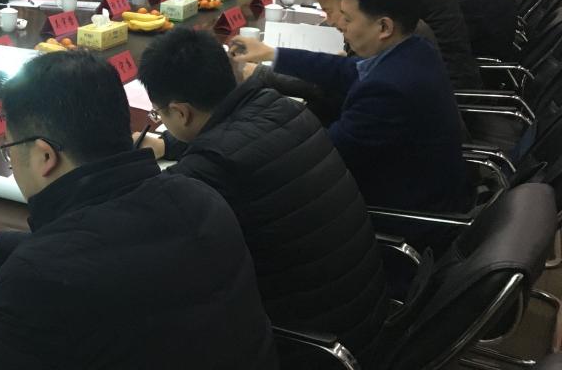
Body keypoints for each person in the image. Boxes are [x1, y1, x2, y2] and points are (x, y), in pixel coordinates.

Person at [0, 51, 279, 369]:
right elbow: (118, 254)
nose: (12, 163)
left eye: (10, 151)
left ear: (44, 156)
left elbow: (82, 267)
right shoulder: (199, 198)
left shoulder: (46, 278)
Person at [136, 27, 386, 365]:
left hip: (314, 347)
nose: (161, 120)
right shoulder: (279, 106)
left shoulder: (207, 172)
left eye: (159, 115)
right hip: (368, 312)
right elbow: (230, 135)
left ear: (180, 113)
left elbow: (151, 236)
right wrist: (165, 144)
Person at [230, 0, 469, 215]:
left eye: (347, 18)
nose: (339, 25)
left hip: (397, 212)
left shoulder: (388, 90)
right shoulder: (414, 48)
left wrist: (254, 124)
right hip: (416, 183)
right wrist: (270, 53)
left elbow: (324, 156)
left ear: (384, 26)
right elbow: (343, 69)